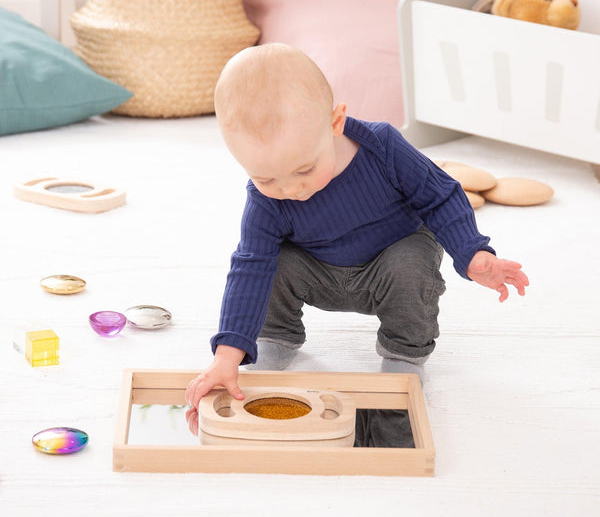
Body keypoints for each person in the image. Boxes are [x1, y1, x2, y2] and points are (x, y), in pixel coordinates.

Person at [185, 43, 528, 431]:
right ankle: (276, 337)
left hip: (390, 264)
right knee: (273, 262)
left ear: (335, 123)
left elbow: (441, 193)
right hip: (319, 274)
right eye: (266, 178)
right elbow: (250, 268)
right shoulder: (265, 201)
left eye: (304, 169)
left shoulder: (382, 145)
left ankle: (405, 353)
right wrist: (226, 358)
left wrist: (471, 252)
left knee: (412, 262)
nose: (291, 189)